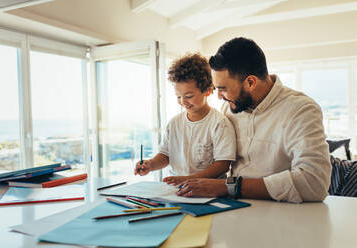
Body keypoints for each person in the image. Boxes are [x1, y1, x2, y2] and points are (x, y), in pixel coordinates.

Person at [176, 37, 332, 203]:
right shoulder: (228, 109)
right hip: (231, 208)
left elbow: (315, 182)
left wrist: (229, 186)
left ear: (251, 82)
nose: (219, 97)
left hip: (283, 213)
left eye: (223, 89)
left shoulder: (301, 110)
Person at [134, 53, 236, 185]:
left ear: (208, 91)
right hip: (177, 188)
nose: (183, 102)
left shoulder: (220, 123)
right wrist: (151, 164)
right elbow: (166, 155)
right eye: (178, 96)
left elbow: (222, 165)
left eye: (189, 96)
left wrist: (189, 179)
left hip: (208, 191)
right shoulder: (174, 123)